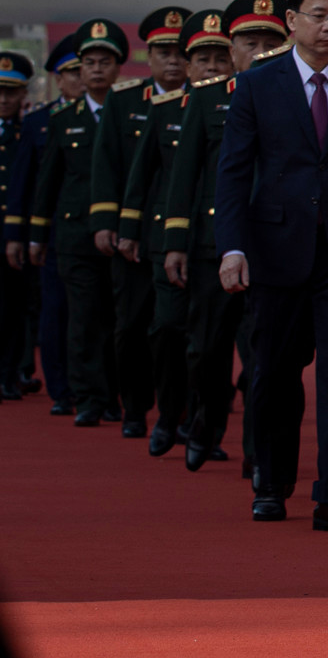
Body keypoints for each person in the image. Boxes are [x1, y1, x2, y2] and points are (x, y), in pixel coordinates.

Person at [212, 0, 328, 532]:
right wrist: (232, 247)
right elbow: (233, 174)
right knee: (274, 373)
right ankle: (271, 480)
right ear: (293, 20)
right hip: (275, 251)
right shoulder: (259, 85)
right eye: (319, 15)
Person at [161, 7, 259, 474]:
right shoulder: (206, 99)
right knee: (206, 347)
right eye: (249, 44)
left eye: (268, 42)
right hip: (211, 242)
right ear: (234, 52)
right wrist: (175, 242)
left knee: (261, 356)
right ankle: (204, 426)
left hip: (270, 243)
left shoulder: (288, 93)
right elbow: (184, 177)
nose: (258, 52)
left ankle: (259, 454)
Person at [87, 6, 188, 441]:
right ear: (148, 57)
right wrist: (112, 224)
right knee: (129, 325)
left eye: (177, 51)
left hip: (181, 234)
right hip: (135, 232)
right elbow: (107, 165)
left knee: (174, 329)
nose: (171, 60)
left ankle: (179, 411)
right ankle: (134, 407)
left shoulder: (204, 99)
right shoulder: (125, 100)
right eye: (162, 51)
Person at [29, 18, 130, 427]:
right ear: (80, 68)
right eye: (89, 62)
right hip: (74, 235)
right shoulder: (62, 119)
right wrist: (36, 234)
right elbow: (47, 181)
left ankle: (114, 395)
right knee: (84, 318)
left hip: (124, 233)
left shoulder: (130, 114)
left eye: (105, 61)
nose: (97, 69)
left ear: (118, 67)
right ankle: (87, 395)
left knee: (118, 319)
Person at [114, 26, 194, 456]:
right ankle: (153, 411)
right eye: (165, 52)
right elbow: (138, 176)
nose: (175, 62)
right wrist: (126, 228)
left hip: (215, 239)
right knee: (156, 327)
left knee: (204, 340)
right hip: (160, 236)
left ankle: (194, 421)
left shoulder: (236, 99)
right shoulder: (157, 109)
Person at [12, 36, 78, 414]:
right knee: (54, 312)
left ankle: (93, 385)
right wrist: (26, 235)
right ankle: (60, 388)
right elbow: (28, 185)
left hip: (95, 232)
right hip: (54, 231)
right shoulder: (40, 121)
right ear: (58, 77)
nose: (79, 79)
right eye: (70, 73)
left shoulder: (116, 113)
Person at [0, 51, 38, 403]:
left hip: (14, 236)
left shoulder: (26, 132)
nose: (3, 99)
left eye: (10, 92)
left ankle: (9, 374)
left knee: (13, 308)